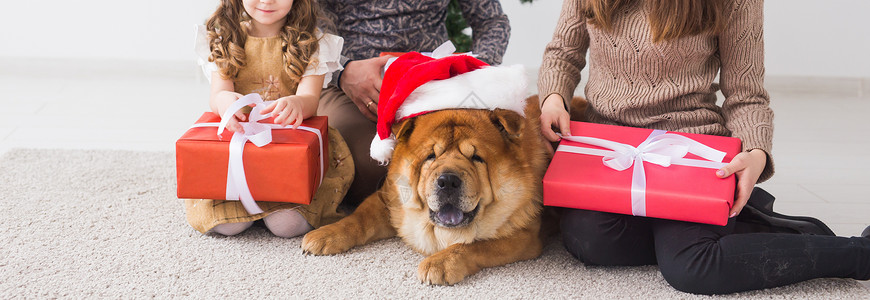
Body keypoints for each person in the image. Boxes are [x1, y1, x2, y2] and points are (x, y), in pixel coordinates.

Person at [538, 0, 870, 295]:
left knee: (692, 267)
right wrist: (554, 97)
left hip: (690, 149)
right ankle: (739, 221)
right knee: (591, 243)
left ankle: (860, 254)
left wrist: (755, 152)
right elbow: (562, 54)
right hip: (613, 150)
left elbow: (746, 94)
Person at [184, 0, 354, 238]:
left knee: (287, 226)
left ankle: (269, 205)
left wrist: (296, 103)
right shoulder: (225, 38)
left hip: (290, 152)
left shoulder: (312, 43)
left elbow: (310, 99)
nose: (267, 0)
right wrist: (225, 103)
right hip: (240, 154)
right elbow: (217, 95)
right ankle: (251, 203)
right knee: (227, 226)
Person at [316, 0, 511, 207]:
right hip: (347, 83)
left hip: (433, 84)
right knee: (372, 168)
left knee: (487, 156)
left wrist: (471, 69)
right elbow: (299, 26)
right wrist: (343, 70)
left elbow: (492, 21)